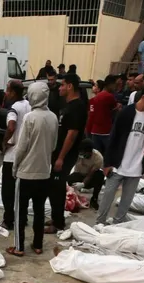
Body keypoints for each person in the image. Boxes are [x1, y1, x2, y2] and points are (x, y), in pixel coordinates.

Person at [95, 81, 144, 225]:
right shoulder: (126, 113)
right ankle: (99, 223)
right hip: (118, 165)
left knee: (126, 202)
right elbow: (113, 138)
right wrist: (107, 163)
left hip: (136, 167)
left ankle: (117, 226)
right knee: (107, 197)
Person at [6, 81, 58, 257]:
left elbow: (21, 147)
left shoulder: (30, 117)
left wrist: (15, 167)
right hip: (44, 172)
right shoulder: (53, 117)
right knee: (39, 211)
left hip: (26, 173)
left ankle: (19, 247)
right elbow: (53, 145)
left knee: (20, 212)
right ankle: (37, 245)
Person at [47, 73, 87, 233]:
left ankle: (58, 223)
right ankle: (56, 217)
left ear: (70, 86)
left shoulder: (77, 107)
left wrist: (61, 157)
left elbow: (72, 134)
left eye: (62, 85)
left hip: (65, 155)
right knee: (54, 186)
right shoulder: (68, 105)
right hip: (59, 152)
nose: (60, 88)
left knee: (57, 187)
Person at [0, 80, 30, 229]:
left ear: (13, 92)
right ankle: (22, 218)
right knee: (22, 191)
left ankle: (9, 220)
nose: (6, 93)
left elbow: (11, 127)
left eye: (8, 90)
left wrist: (5, 141)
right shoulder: (29, 106)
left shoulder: (14, 109)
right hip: (26, 155)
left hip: (12, 155)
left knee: (8, 191)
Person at [85, 74, 119, 154]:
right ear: (111, 84)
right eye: (115, 85)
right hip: (105, 131)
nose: (116, 88)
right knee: (109, 153)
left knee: (97, 154)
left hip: (95, 130)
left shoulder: (96, 98)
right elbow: (115, 111)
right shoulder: (109, 96)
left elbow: (91, 116)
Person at [69, 140, 105, 209]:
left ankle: (94, 199)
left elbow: (91, 173)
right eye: (81, 153)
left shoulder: (98, 158)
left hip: (91, 178)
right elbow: (75, 171)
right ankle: (74, 197)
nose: (82, 155)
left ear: (90, 152)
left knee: (100, 175)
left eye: (84, 153)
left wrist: (83, 184)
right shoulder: (78, 155)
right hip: (80, 174)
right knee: (69, 179)